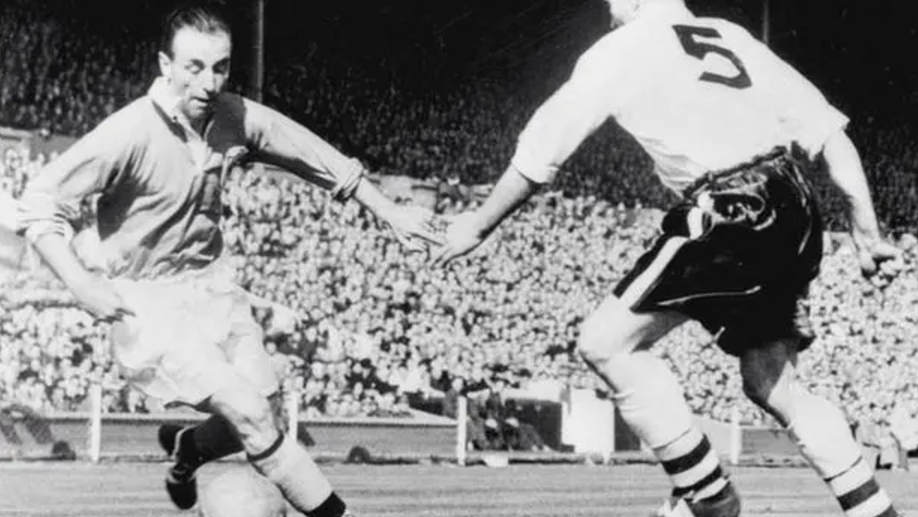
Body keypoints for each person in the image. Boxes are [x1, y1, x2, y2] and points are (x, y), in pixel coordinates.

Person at [432, 0, 901, 516]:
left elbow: (544, 144)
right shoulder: (730, 36)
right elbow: (831, 134)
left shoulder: (623, 48)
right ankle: (875, 510)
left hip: (730, 204)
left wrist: (477, 224)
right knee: (775, 383)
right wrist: (866, 229)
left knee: (606, 343)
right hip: (796, 202)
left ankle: (707, 496)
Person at [17, 4, 438, 515]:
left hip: (211, 287)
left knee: (262, 409)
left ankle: (189, 448)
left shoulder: (234, 116)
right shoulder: (127, 132)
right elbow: (39, 203)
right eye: (194, 66)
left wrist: (389, 210)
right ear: (164, 65)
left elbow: (316, 156)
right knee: (252, 415)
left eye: (220, 66)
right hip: (147, 300)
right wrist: (80, 283)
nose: (209, 80)